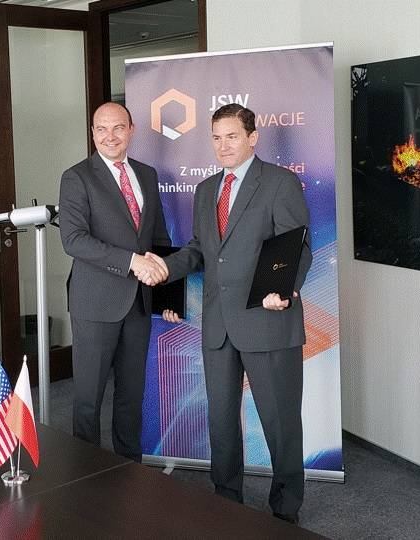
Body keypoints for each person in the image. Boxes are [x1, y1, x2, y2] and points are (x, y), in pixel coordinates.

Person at [145, 104, 312, 523]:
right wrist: (164, 268)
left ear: (253, 137)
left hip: (267, 320)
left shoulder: (280, 182)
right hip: (218, 326)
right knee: (220, 422)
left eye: (232, 136)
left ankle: (285, 510)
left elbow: (297, 247)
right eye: (217, 138)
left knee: (280, 422)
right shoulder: (206, 190)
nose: (223, 146)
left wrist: (283, 289)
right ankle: (226, 501)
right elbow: (200, 251)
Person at [59, 102, 171, 462]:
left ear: (131, 130)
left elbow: (158, 239)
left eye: (118, 128)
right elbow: (73, 240)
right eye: (102, 129)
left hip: (139, 304)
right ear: (93, 133)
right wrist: (131, 261)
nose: (110, 136)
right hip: (95, 303)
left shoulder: (147, 175)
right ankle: (87, 474)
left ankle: (128, 470)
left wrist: (168, 297)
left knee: (131, 395)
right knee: (88, 398)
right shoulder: (77, 177)